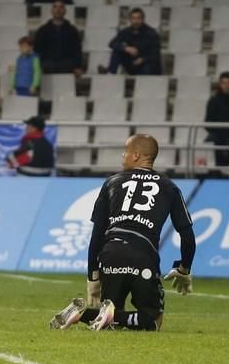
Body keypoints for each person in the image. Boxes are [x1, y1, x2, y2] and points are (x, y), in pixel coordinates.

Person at [49, 134, 196, 332]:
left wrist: (93, 277)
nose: (122, 156)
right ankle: (103, 315)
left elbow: (97, 234)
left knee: (110, 321)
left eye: (125, 152)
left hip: (110, 254)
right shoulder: (169, 186)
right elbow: (187, 235)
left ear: (136, 155)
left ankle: (85, 313)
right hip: (142, 256)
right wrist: (184, 268)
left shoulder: (112, 182)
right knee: (152, 320)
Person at [99, 8, 162, 76]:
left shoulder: (151, 33)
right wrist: (126, 48)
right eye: (133, 18)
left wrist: (143, 59)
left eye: (138, 18)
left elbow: (155, 55)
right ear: (130, 20)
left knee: (149, 67)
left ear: (143, 19)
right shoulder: (126, 31)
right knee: (117, 50)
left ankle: (145, 84)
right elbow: (112, 43)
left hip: (147, 66)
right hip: (133, 64)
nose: (136, 21)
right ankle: (110, 72)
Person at [32, 0, 82, 75]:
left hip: (67, 65)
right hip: (48, 65)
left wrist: (77, 66)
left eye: (61, 7)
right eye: (55, 7)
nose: (58, 10)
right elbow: (37, 50)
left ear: (65, 11)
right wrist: (37, 67)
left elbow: (77, 50)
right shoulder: (42, 30)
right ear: (51, 10)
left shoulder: (72, 30)